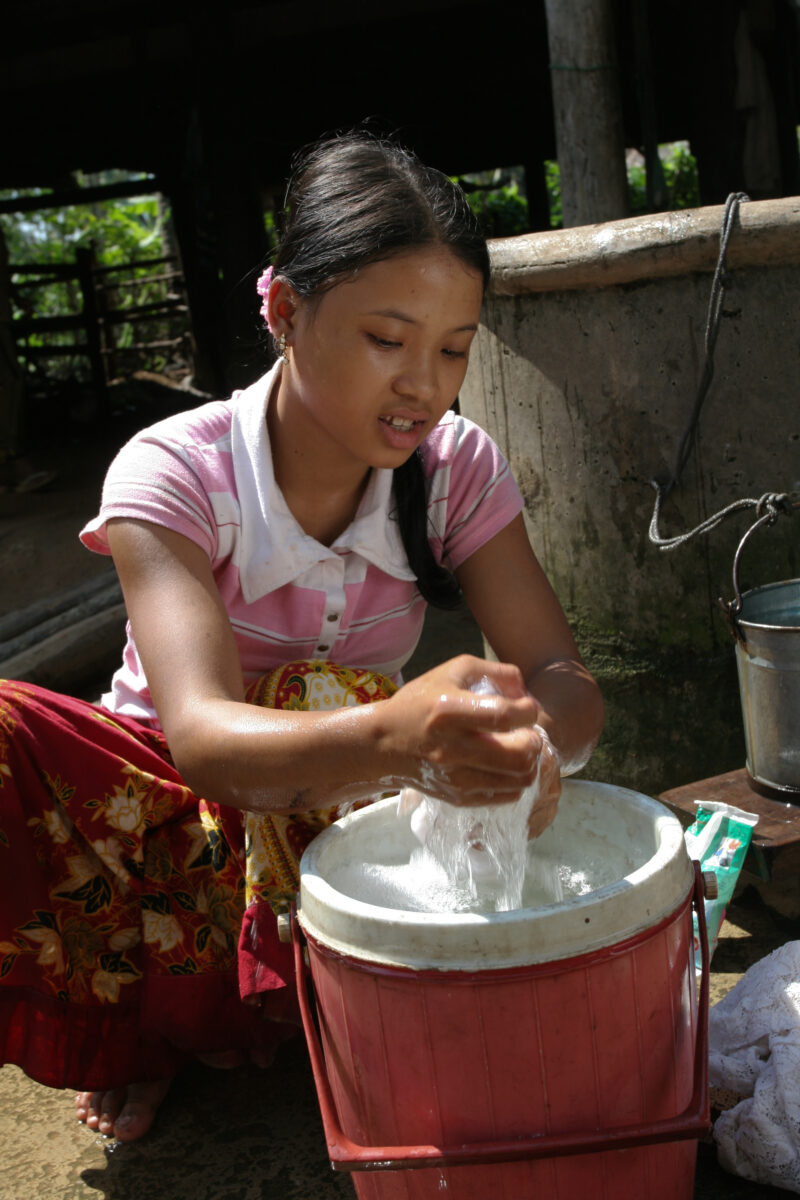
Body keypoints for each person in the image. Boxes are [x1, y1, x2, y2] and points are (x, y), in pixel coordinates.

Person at [0, 131, 604, 1144]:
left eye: (453, 349)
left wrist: (539, 742)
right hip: (165, 823)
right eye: (386, 338)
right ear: (283, 310)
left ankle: (274, 1013)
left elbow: (557, 671)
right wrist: (398, 735)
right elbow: (196, 740)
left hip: (336, 813)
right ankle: (145, 1034)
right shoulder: (174, 475)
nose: (423, 383)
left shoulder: (454, 468)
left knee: (337, 697)